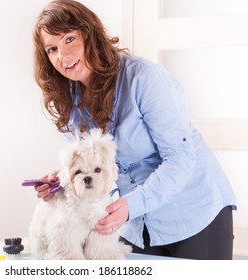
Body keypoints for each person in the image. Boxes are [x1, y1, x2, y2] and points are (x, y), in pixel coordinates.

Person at [31, 0, 237, 260]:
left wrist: (131, 206)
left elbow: (180, 158)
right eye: (52, 49)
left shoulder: (145, 79)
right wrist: (62, 179)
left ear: (90, 34)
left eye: (69, 39)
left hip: (194, 213)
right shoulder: (70, 102)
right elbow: (95, 166)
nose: (63, 56)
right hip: (136, 222)